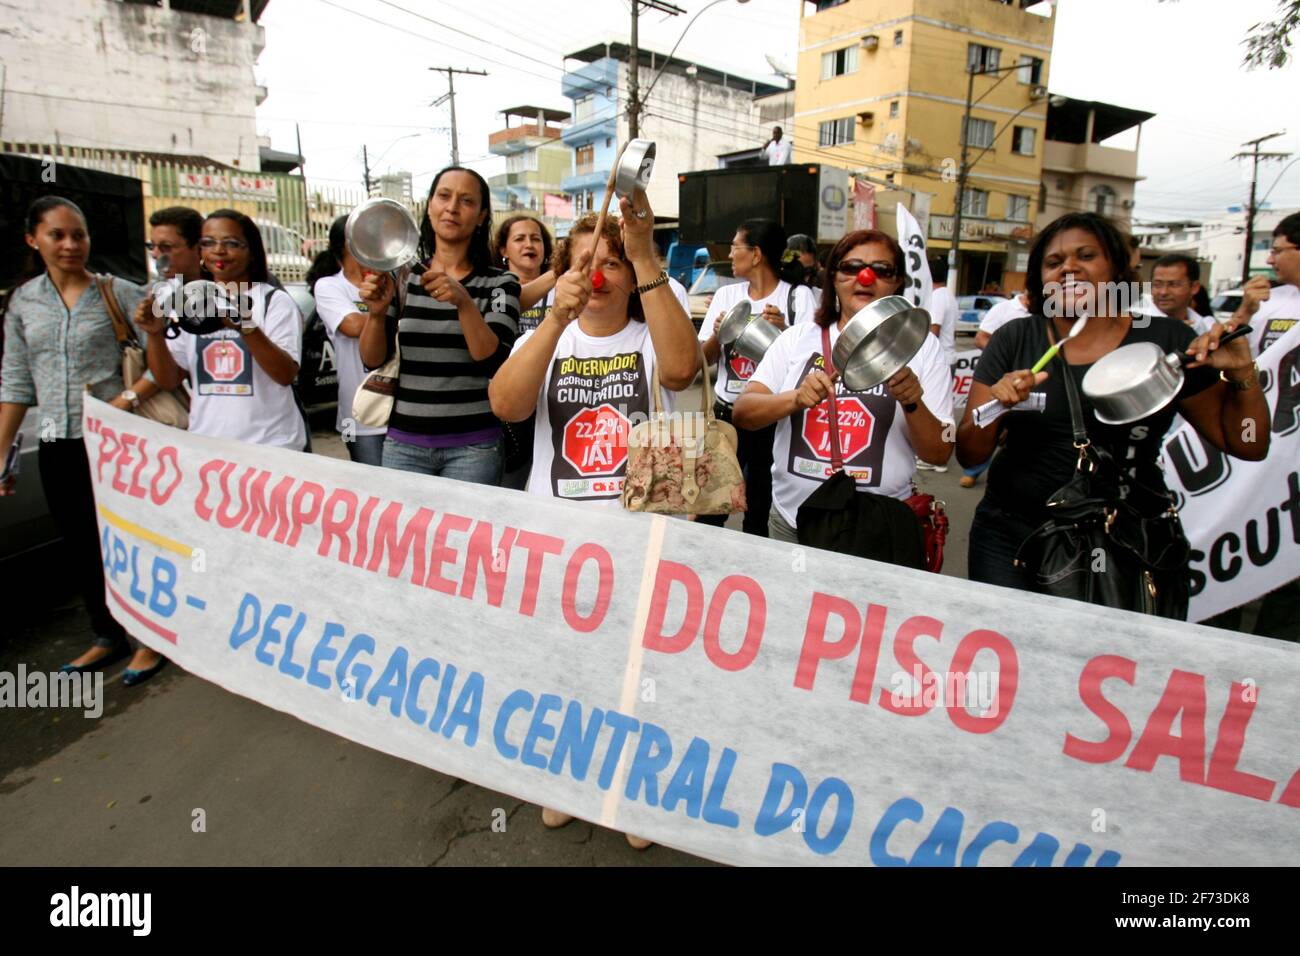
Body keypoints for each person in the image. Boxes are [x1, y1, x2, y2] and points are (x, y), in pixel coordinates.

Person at [489, 191, 697, 847]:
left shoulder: (653, 331)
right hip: (557, 538)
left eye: (611, 262)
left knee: (633, 672)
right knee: (563, 669)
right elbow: (507, 405)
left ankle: (631, 788)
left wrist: (641, 251)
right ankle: (569, 777)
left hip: (638, 539)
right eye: (583, 262)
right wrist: (555, 318)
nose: (599, 274)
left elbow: (685, 368)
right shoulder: (542, 336)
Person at [956, 212, 1269, 596]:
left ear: (1116, 269)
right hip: (1013, 538)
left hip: (1127, 539)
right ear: (1041, 279)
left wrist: (1242, 373)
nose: (1068, 267)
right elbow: (970, 452)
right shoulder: (1016, 338)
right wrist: (998, 407)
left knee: (1106, 654)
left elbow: (1248, 443)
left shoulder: (1165, 338)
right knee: (1010, 651)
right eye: (1054, 263)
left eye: (1085, 256)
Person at [0, 197, 160, 682]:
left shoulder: (120, 292)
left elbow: (163, 364)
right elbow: (15, 383)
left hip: (117, 442)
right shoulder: (24, 303)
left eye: (79, 234)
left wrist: (128, 398)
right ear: (34, 239)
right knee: (83, 544)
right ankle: (106, 634)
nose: (71, 244)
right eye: (57, 235)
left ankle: (150, 639)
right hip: (58, 443)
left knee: (129, 540)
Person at [732, 229, 954, 546]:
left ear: (897, 282)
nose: (865, 277)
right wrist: (796, 399)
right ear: (833, 277)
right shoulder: (798, 338)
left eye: (882, 270)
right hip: (792, 523)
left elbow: (941, 451)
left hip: (876, 529)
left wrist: (912, 402)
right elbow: (744, 412)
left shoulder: (922, 346)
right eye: (851, 267)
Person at [358, 166, 519, 485]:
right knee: (404, 536)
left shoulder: (501, 283)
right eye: (444, 196)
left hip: (475, 448)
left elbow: (494, 361)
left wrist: (464, 303)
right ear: (430, 205)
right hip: (404, 446)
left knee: (466, 536)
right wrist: (376, 314)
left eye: (466, 200)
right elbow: (371, 360)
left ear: (482, 215)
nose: (452, 207)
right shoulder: (400, 277)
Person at [139, 210, 308, 452]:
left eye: (231, 243)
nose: (218, 251)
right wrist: (154, 334)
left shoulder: (273, 301)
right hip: (209, 448)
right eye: (208, 243)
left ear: (252, 251)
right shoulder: (189, 300)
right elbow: (168, 379)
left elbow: (285, 374)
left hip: (271, 447)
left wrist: (243, 324)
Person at [697, 220, 817, 534]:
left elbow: (812, 359)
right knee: (713, 506)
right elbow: (705, 359)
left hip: (771, 417)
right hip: (726, 415)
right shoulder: (726, 295)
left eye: (736, 246)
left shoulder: (798, 297)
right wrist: (717, 334)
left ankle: (754, 575)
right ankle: (705, 570)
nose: (731, 253)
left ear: (757, 254)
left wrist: (784, 331)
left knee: (760, 509)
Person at [307, 214, 387, 466]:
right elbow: (352, 325)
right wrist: (386, 315)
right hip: (358, 417)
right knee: (374, 492)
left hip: (400, 411)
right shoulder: (329, 286)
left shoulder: (392, 282)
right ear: (347, 243)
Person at [494, 216, 555, 490]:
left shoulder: (566, 290)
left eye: (536, 238)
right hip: (509, 405)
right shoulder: (495, 288)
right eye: (519, 239)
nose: (529, 245)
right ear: (504, 250)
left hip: (553, 402)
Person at [1230, 211, 1300, 356]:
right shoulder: (1266, 301)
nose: (1270, 260)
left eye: (1277, 251)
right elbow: (1232, 356)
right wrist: (1245, 311)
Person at [1149, 253, 1215, 334]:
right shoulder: (1136, 324)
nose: (1164, 292)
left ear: (1194, 287)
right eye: (1157, 285)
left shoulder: (1204, 327)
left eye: (1174, 284)